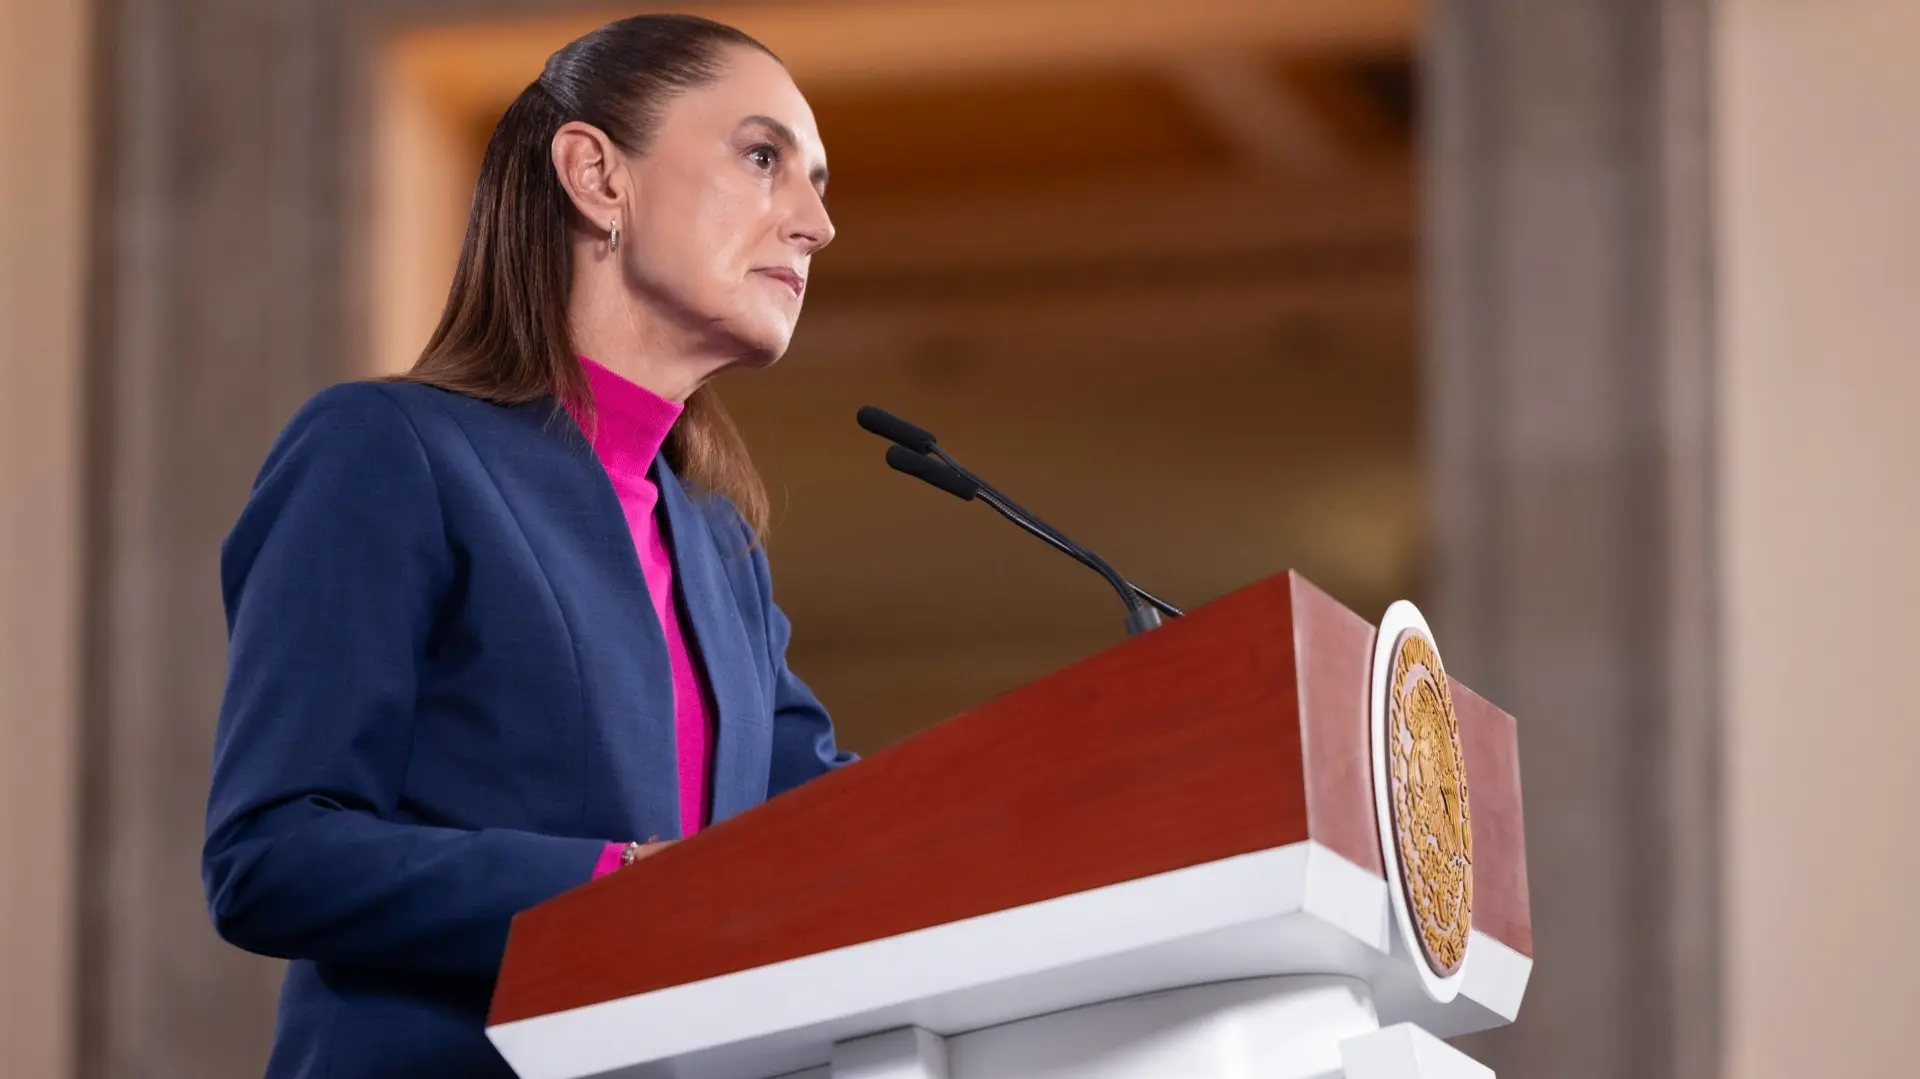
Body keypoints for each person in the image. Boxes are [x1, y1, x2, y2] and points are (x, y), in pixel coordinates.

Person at [200, 14, 852, 1078]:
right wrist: (618, 885)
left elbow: (835, 829)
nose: (816, 223)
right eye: (762, 157)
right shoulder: (385, 449)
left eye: (818, 182)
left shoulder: (717, 545)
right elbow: (270, 854)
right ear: (596, 174)